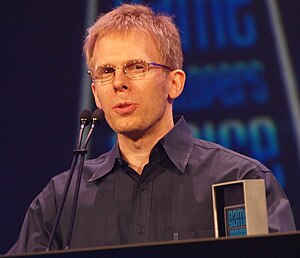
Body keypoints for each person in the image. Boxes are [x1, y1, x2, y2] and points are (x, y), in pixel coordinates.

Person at [8, 3, 295, 254]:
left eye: (136, 67)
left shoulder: (239, 180)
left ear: (175, 83)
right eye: (106, 72)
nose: (119, 82)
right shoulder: (60, 201)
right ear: (96, 93)